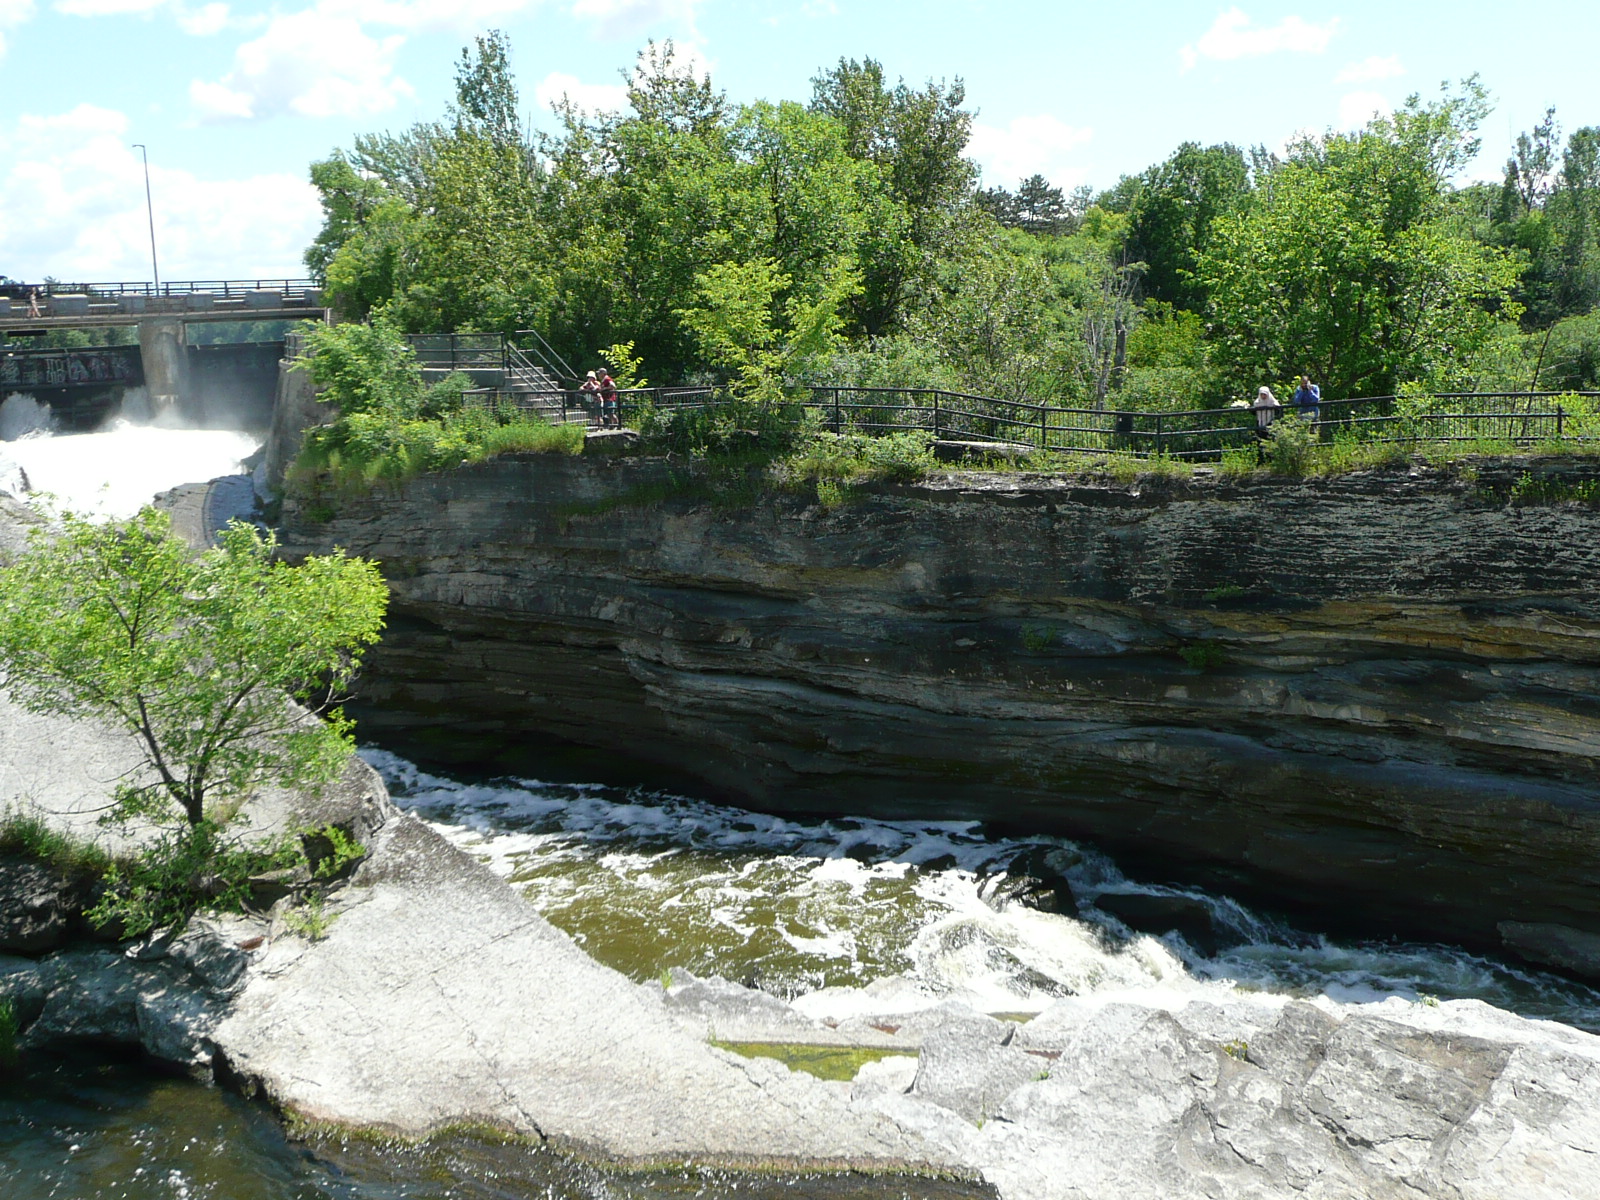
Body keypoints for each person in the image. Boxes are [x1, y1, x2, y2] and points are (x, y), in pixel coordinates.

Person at [1251, 385, 1281, 458]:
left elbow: (1278, 408)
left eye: (1265, 394)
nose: (1263, 396)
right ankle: (1262, 458)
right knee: (1260, 441)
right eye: (1261, 394)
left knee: (1270, 439)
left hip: (1270, 422)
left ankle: (1271, 457)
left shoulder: (1272, 401)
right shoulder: (1257, 402)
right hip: (1260, 422)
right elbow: (1254, 412)